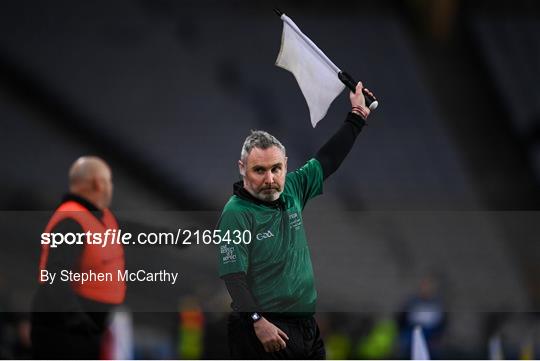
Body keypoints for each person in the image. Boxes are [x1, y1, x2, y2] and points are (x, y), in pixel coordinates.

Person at [218, 82, 374, 359]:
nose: (269, 179)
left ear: (286, 165)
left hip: (305, 326)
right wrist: (257, 321)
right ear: (242, 169)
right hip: (264, 329)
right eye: (259, 170)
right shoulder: (236, 213)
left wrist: (357, 114)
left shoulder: (291, 189)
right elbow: (234, 276)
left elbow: (327, 159)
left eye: (276, 169)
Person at [30, 156, 125, 359]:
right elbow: (55, 279)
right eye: (109, 181)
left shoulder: (100, 216)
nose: (111, 187)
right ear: (97, 183)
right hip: (65, 334)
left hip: (85, 331)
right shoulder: (71, 221)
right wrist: (78, 323)